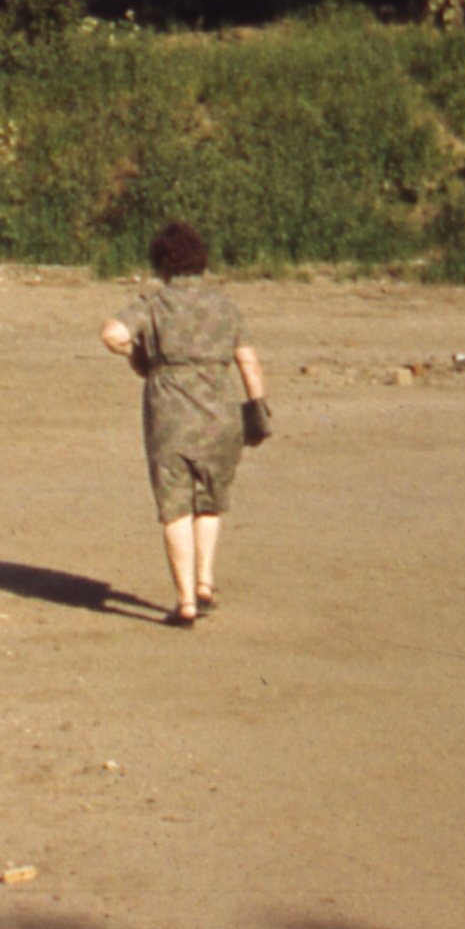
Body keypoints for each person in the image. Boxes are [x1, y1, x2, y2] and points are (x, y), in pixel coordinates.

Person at [100, 220, 267, 628]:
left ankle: (185, 602)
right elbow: (247, 360)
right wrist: (257, 405)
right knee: (208, 501)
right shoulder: (226, 307)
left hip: (170, 413)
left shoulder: (153, 305)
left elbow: (111, 333)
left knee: (174, 506)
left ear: (162, 264)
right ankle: (206, 584)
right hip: (220, 411)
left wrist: (138, 356)